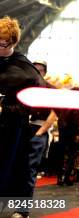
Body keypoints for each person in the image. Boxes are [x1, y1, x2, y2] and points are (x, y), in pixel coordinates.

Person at [0, 16, 45, 218]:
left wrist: (6, 108)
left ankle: (21, 209)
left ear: (13, 42)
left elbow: (34, 98)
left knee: (18, 167)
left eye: (3, 44)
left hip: (13, 126)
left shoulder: (26, 70)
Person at [25, 61, 56, 200]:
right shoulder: (24, 87)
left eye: (40, 70)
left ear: (45, 72)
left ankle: (22, 210)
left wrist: (41, 131)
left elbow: (54, 113)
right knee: (14, 167)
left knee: (29, 170)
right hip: (22, 129)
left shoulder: (51, 89)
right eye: (34, 69)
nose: (37, 72)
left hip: (38, 129)